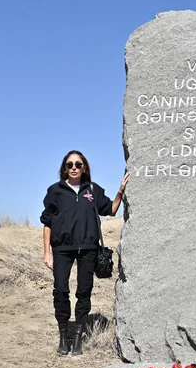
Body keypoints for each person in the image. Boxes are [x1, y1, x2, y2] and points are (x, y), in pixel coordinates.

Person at [40, 150, 129, 356]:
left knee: (84, 292)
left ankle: (78, 338)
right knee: (60, 290)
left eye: (78, 164)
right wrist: (47, 253)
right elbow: (47, 223)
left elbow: (111, 210)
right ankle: (64, 337)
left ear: (84, 167)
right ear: (64, 167)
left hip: (88, 248)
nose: (74, 168)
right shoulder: (55, 191)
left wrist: (121, 191)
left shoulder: (93, 190)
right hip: (62, 249)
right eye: (70, 164)